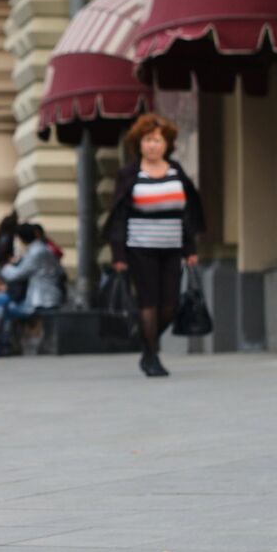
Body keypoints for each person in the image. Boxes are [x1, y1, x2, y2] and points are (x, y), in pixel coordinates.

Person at [102, 113, 206, 378]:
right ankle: (153, 357)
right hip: (140, 247)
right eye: (148, 140)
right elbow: (119, 215)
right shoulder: (129, 174)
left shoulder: (175, 171)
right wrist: (119, 254)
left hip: (171, 246)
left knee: (170, 305)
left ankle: (146, 344)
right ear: (139, 143)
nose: (152, 145)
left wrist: (190, 248)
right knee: (149, 302)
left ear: (166, 144)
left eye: (157, 140)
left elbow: (187, 212)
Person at [0, 225, 64, 360]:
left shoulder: (37, 252)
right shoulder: (40, 249)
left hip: (42, 299)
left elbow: (18, 274)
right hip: (41, 296)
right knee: (1, 302)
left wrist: (5, 267)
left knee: (2, 304)